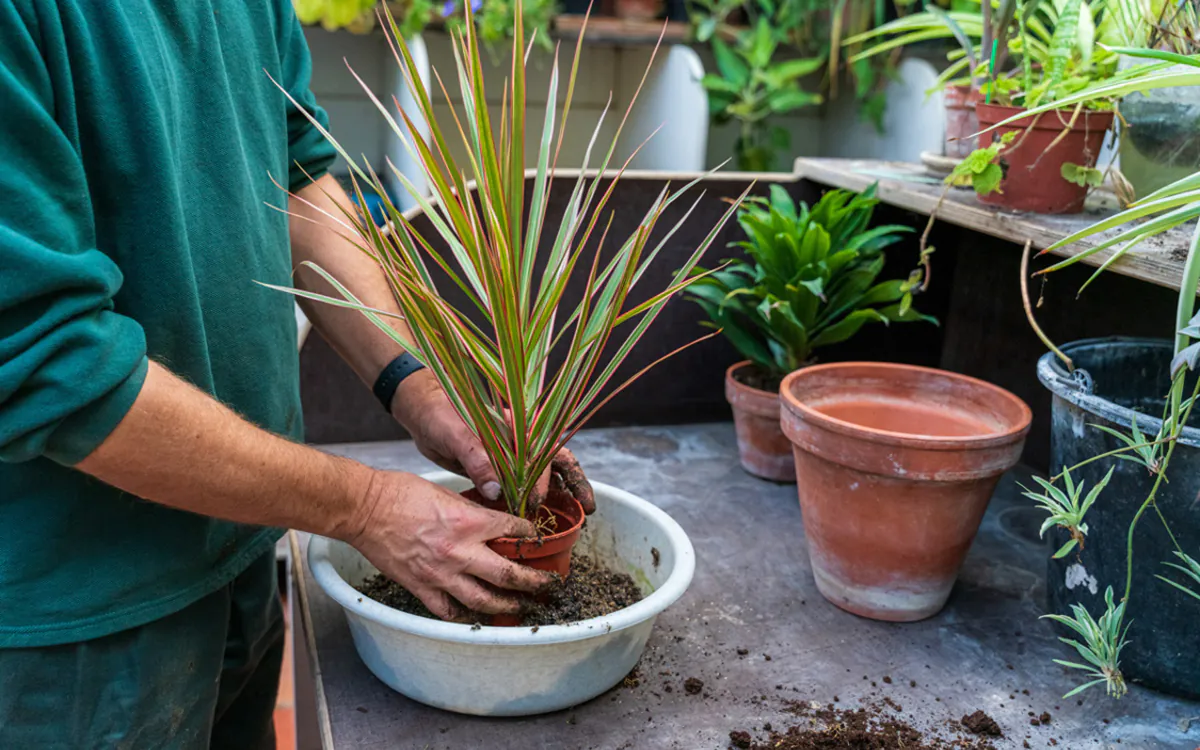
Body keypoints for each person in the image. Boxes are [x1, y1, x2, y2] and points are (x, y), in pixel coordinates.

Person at [0, 1, 593, 747]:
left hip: (245, 548)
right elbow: (49, 362)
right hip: (69, 627)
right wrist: (368, 507)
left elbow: (297, 176)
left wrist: (423, 388)